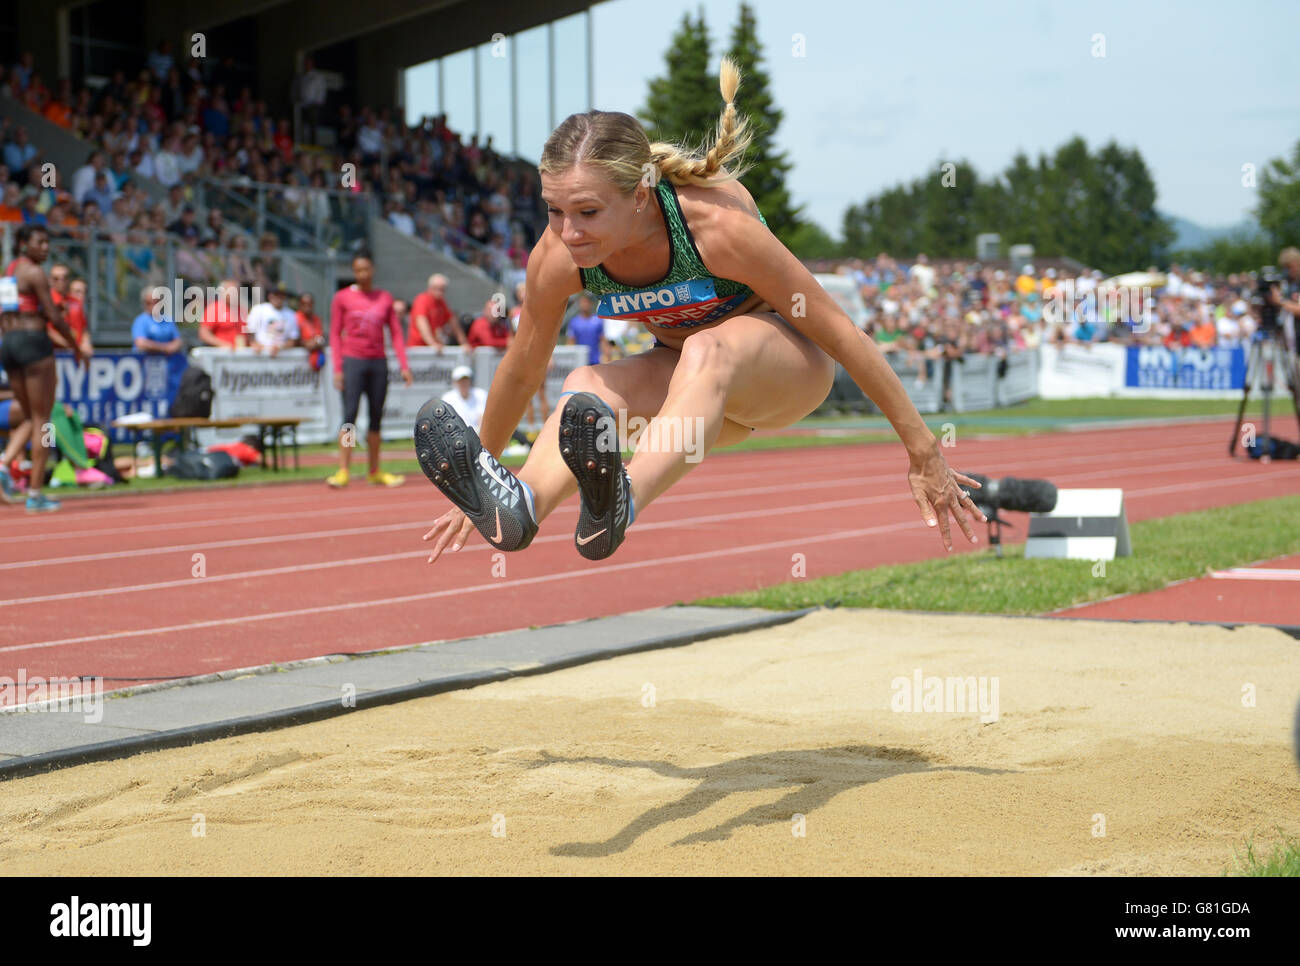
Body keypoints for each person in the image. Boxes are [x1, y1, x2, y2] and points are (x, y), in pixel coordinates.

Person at [417, 59, 983, 562]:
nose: (568, 231)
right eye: (554, 210)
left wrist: (923, 448)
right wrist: (484, 469)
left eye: (587, 212)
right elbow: (523, 365)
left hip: (785, 370)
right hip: (692, 403)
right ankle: (522, 505)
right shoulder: (558, 255)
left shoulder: (714, 229)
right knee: (589, 384)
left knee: (709, 348)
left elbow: (841, 332)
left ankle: (623, 500)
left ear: (639, 195)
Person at [1, 224, 87, 512]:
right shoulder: (35, 273)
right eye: (41, 242)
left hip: (9, 344)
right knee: (43, 420)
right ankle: (35, 493)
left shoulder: (8, 270)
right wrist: (74, 345)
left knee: (28, 415)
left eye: (48, 242)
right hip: (34, 344)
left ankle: (3, 465)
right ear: (24, 244)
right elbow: (52, 314)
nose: (46, 248)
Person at [326, 252, 412, 488]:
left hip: (378, 363)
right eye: (358, 270)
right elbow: (334, 334)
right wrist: (338, 368)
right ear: (354, 272)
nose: (362, 274)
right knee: (350, 416)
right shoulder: (342, 298)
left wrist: (404, 365)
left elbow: (395, 333)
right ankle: (344, 470)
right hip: (353, 361)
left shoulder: (384, 298)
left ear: (372, 270)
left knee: (376, 418)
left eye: (366, 269)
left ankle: (374, 470)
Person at [47, 262, 94, 358]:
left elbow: (83, 328)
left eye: (64, 278)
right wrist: (72, 346)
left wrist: (86, 343)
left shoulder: (76, 302)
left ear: (68, 280)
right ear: (50, 280)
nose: (61, 281)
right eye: (56, 278)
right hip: (55, 354)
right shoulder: (47, 301)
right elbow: (48, 331)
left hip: (77, 353)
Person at [408, 273, 463, 349]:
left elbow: (453, 321)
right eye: (437, 289)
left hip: (433, 347)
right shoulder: (422, 300)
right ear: (430, 287)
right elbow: (421, 322)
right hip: (419, 347)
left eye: (442, 289)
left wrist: (463, 342)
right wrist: (432, 343)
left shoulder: (441, 302)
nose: (440, 292)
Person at [244, 284, 299, 355]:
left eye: (281, 295)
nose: (279, 298)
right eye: (276, 295)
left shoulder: (291, 314)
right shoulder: (258, 310)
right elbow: (250, 331)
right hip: (260, 354)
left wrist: (280, 347)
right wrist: (255, 344)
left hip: (281, 356)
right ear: (270, 296)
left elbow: (293, 339)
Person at [131, 287, 183, 354]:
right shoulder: (140, 321)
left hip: (168, 362)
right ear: (144, 303)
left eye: (155, 302)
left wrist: (173, 346)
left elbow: (178, 341)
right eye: (149, 303)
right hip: (145, 361)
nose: (153, 306)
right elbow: (140, 343)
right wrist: (164, 348)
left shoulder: (168, 320)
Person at [200, 278, 247, 348]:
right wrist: (222, 344)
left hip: (241, 354)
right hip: (221, 354)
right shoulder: (214, 309)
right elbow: (204, 334)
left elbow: (247, 333)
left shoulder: (243, 310)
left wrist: (254, 344)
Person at [440, 364, 487, 432]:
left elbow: (482, 419)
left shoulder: (480, 394)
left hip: (476, 434)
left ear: (470, 381)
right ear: (455, 382)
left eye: (465, 380)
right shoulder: (447, 398)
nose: (463, 383)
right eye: (460, 381)